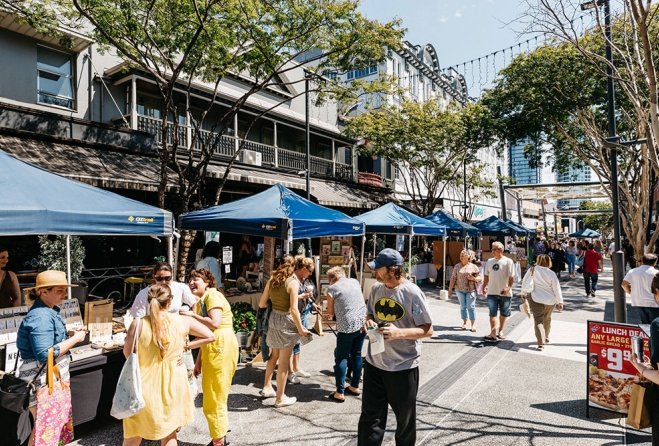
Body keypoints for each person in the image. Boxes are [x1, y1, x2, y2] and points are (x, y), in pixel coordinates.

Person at [122, 284, 215, 446]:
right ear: (170, 302)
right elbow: (210, 336)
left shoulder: (138, 324)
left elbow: (127, 354)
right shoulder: (183, 321)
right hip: (175, 384)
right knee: (169, 435)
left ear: (148, 301)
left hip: (144, 385)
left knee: (134, 434)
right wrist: (185, 347)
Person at [358, 248, 433, 446]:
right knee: (369, 418)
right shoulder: (376, 288)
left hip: (402, 367)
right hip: (374, 363)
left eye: (379, 269)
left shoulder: (412, 293)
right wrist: (368, 322)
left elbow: (428, 329)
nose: (376, 272)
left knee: (405, 422)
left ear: (392, 269)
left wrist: (399, 333)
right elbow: (370, 314)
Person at [17, 270, 88, 445]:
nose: (65, 295)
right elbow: (44, 354)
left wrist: (66, 334)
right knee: (46, 430)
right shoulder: (41, 315)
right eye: (59, 291)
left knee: (43, 430)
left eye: (65, 290)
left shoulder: (47, 311)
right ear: (43, 291)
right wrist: (75, 339)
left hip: (49, 381)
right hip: (44, 383)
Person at [181, 269, 238, 446]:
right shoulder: (202, 300)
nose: (191, 282)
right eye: (190, 279)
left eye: (196, 279)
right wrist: (199, 362)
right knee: (215, 394)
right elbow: (205, 334)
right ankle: (220, 436)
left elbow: (215, 323)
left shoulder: (212, 296)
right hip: (215, 347)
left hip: (221, 346)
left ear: (207, 282)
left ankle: (218, 440)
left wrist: (192, 315)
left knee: (214, 397)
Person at [258, 254, 311, 407]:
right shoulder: (292, 282)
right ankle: (280, 398)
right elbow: (294, 310)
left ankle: (267, 387)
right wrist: (301, 329)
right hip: (286, 322)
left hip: (273, 319)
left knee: (274, 356)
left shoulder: (272, 280)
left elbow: (262, 303)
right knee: (284, 362)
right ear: (293, 266)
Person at [324, 266, 367, 402]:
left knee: (341, 357)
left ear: (331, 278)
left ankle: (339, 392)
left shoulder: (332, 289)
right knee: (357, 354)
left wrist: (326, 312)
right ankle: (354, 386)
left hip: (346, 326)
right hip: (362, 323)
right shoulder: (354, 282)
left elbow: (330, 313)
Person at [520, 255, 564, 351]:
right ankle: (546, 336)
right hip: (550, 300)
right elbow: (556, 288)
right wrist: (560, 301)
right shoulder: (551, 273)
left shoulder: (532, 269)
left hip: (536, 298)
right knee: (547, 318)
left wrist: (523, 293)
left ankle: (540, 343)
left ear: (538, 261)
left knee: (538, 320)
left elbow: (525, 282)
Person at [129, 262, 197, 317]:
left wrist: (194, 315)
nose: (163, 282)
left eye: (167, 278)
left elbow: (195, 303)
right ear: (154, 277)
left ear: (172, 276)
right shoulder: (143, 294)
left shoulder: (180, 287)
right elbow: (138, 318)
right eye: (159, 279)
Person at [289, 256, 316, 384]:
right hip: (293, 315)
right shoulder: (292, 279)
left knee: (298, 342)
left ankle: (296, 367)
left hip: (302, 313)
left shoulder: (303, 280)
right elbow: (289, 298)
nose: (310, 274)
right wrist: (302, 296)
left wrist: (311, 301)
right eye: (310, 271)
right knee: (290, 344)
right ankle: (290, 372)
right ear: (304, 268)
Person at [483, 242, 515, 341]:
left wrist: (508, 287)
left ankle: (500, 330)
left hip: (504, 293)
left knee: (503, 313)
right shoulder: (489, 261)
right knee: (492, 313)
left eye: (494, 249)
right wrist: (485, 286)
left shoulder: (508, 261)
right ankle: (493, 332)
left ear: (500, 250)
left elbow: (511, 277)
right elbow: (486, 275)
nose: (492, 251)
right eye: (492, 249)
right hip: (492, 292)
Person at [447, 249, 482, 332]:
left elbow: (480, 278)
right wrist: (450, 289)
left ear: (468, 257)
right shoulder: (457, 266)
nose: (461, 257)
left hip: (471, 290)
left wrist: (473, 278)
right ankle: (465, 322)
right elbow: (453, 278)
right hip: (459, 290)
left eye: (463, 255)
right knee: (463, 307)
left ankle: (473, 324)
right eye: (460, 255)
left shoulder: (474, 267)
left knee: (471, 307)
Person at [621, 254, 659, 324]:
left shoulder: (632, 271)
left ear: (642, 261)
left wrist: (630, 292)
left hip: (639, 302)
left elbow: (624, 284)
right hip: (654, 303)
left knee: (645, 325)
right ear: (655, 262)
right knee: (655, 325)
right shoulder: (656, 273)